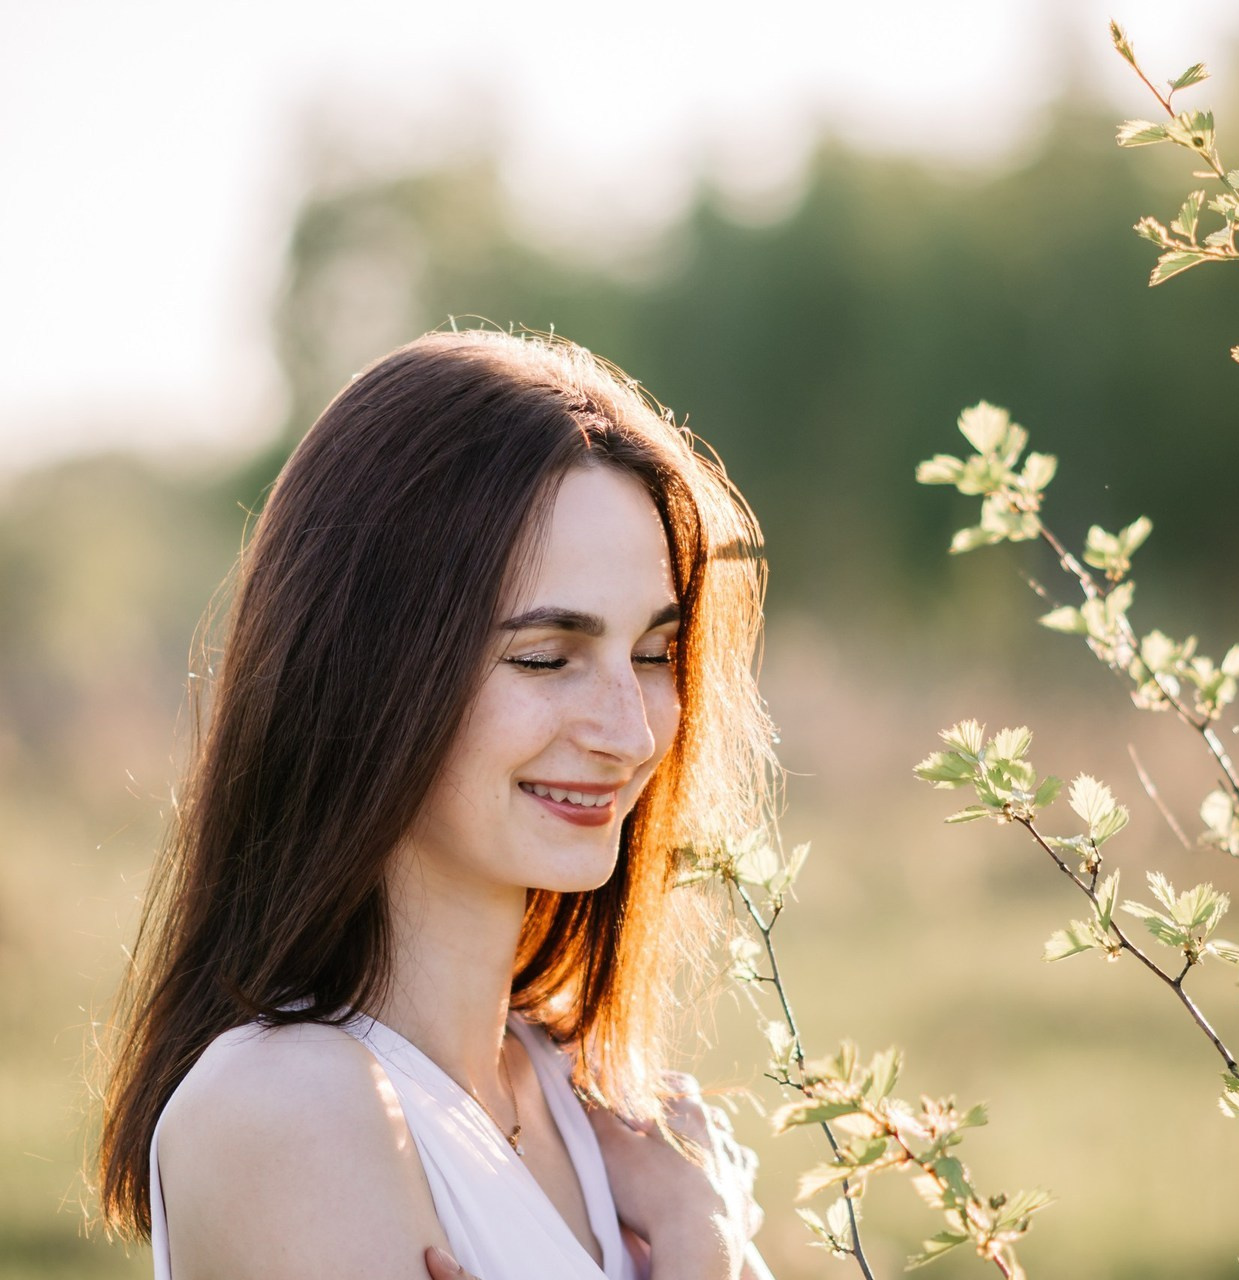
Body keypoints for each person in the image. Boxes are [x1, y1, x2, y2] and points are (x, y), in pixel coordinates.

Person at [96, 328, 777, 1279]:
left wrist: (696, 1211)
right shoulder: (286, 1108)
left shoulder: (592, 1108)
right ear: (367, 672)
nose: (630, 732)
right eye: (547, 658)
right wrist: (710, 1249)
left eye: (655, 655)